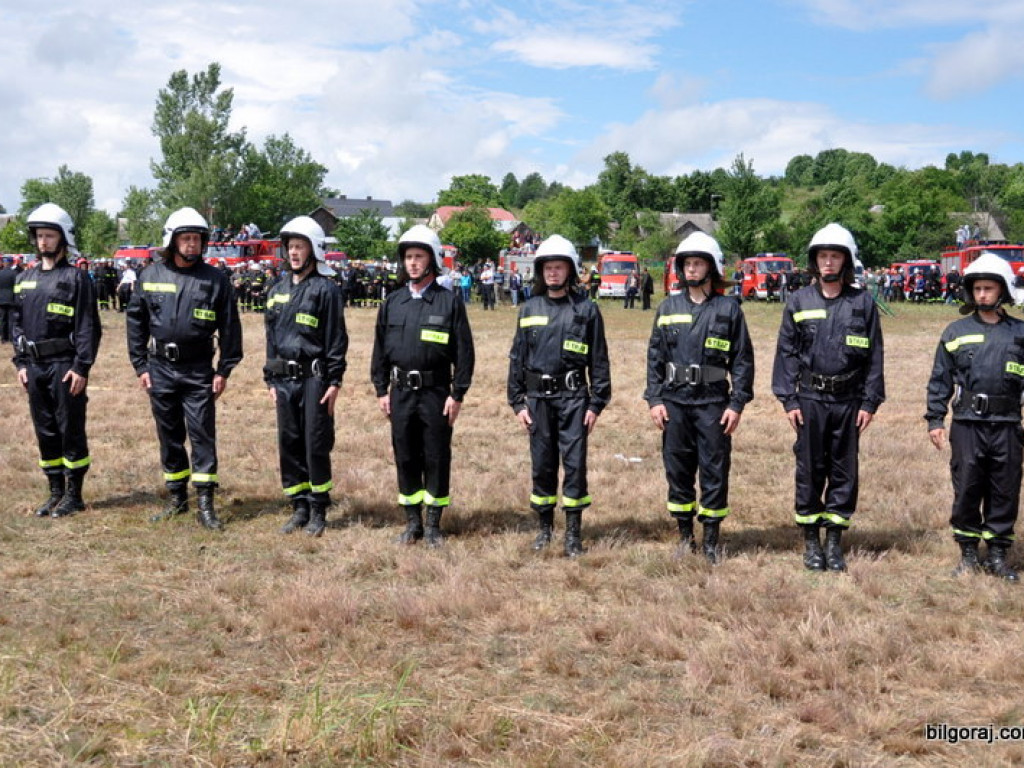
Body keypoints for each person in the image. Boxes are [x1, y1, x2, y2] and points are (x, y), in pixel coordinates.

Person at [772, 223, 885, 572]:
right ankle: (811, 542)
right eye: (823, 256)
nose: (828, 262)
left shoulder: (863, 303)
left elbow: (875, 356)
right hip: (809, 400)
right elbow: (786, 353)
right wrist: (789, 401)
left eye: (835, 256)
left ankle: (834, 542)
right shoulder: (798, 301)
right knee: (810, 469)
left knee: (843, 470)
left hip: (848, 402)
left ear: (846, 261)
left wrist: (869, 402)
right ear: (814, 260)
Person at [127, 208, 243, 530]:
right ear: (172, 240)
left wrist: (223, 370)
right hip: (159, 368)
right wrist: (140, 365)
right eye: (186, 238)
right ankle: (177, 498)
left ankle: (205, 504)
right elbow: (135, 322)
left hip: (198, 370)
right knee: (169, 435)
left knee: (202, 434)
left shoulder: (216, 280)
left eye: (197, 239)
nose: (192, 244)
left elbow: (231, 328)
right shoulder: (150, 276)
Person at [644, 233, 754, 563]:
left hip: (713, 405)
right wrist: (655, 399)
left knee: (714, 471)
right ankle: (684, 536)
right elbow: (655, 358)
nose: (691, 269)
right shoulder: (668, 307)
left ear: (712, 267)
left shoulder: (729, 309)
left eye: (698, 263)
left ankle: (711, 541)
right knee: (678, 471)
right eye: (687, 264)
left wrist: (737, 403)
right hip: (675, 404)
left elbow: (742, 360)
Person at [507, 235, 612, 557]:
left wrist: (596, 403)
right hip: (538, 400)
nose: (553, 273)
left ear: (571, 270)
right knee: (542, 465)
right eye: (548, 268)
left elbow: (599, 360)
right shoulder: (529, 308)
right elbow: (517, 357)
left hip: (574, 400)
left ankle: (573, 534)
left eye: (559, 267)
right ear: (541, 271)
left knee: (575, 465)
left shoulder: (587, 310)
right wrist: (517, 402)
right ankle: (545, 529)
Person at [371, 225, 475, 547]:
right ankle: (412, 522)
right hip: (400, 393)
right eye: (408, 257)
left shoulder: (449, 303)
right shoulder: (393, 302)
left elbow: (465, 353)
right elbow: (379, 349)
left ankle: (433, 524)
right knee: (405, 455)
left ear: (432, 260)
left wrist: (457, 394)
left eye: (419, 256)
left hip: (436, 394)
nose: (412, 263)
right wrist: (381, 389)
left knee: (436, 456)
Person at [925, 253, 1024, 581]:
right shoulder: (956, 332)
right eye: (977, 288)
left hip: (1008, 426)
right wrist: (935, 419)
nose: (982, 294)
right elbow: (940, 379)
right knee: (967, 487)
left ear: (1002, 290)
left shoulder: (1020, 333)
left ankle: (997, 555)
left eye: (988, 288)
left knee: (1005, 489)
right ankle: (968, 553)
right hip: (967, 424)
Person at [12, 204, 102, 517]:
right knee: (45, 429)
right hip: (34, 367)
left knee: (69, 428)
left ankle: (74, 495)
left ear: (63, 238)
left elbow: (88, 327)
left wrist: (81, 367)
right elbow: (16, 324)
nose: (43, 241)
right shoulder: (25, 278)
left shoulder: (77, 278)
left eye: (50, 235)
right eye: (39, 235)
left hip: (64, 365)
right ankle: (55, 491)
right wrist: (21, 363)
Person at [264, 216, 348, 537]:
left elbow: (336, 339)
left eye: (300, 246)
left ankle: (318, 508)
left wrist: (334, 381)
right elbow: (271, 339)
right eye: (290, 247)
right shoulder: (276, 290)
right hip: (284, 381)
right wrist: (271, 379)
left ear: (314, 250)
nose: (294, 252)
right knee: (289, 442)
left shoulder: (326, 290)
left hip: (315, 379)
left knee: (315, 442)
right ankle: (298, 505)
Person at [0, 256, 17, 343]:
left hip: (1, 299)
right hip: (11, 298)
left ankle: (3, 338)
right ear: (11, 263)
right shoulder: (14, 273)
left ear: (3, 263)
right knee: (11, 319)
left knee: (3, 319)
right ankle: (11, 337)